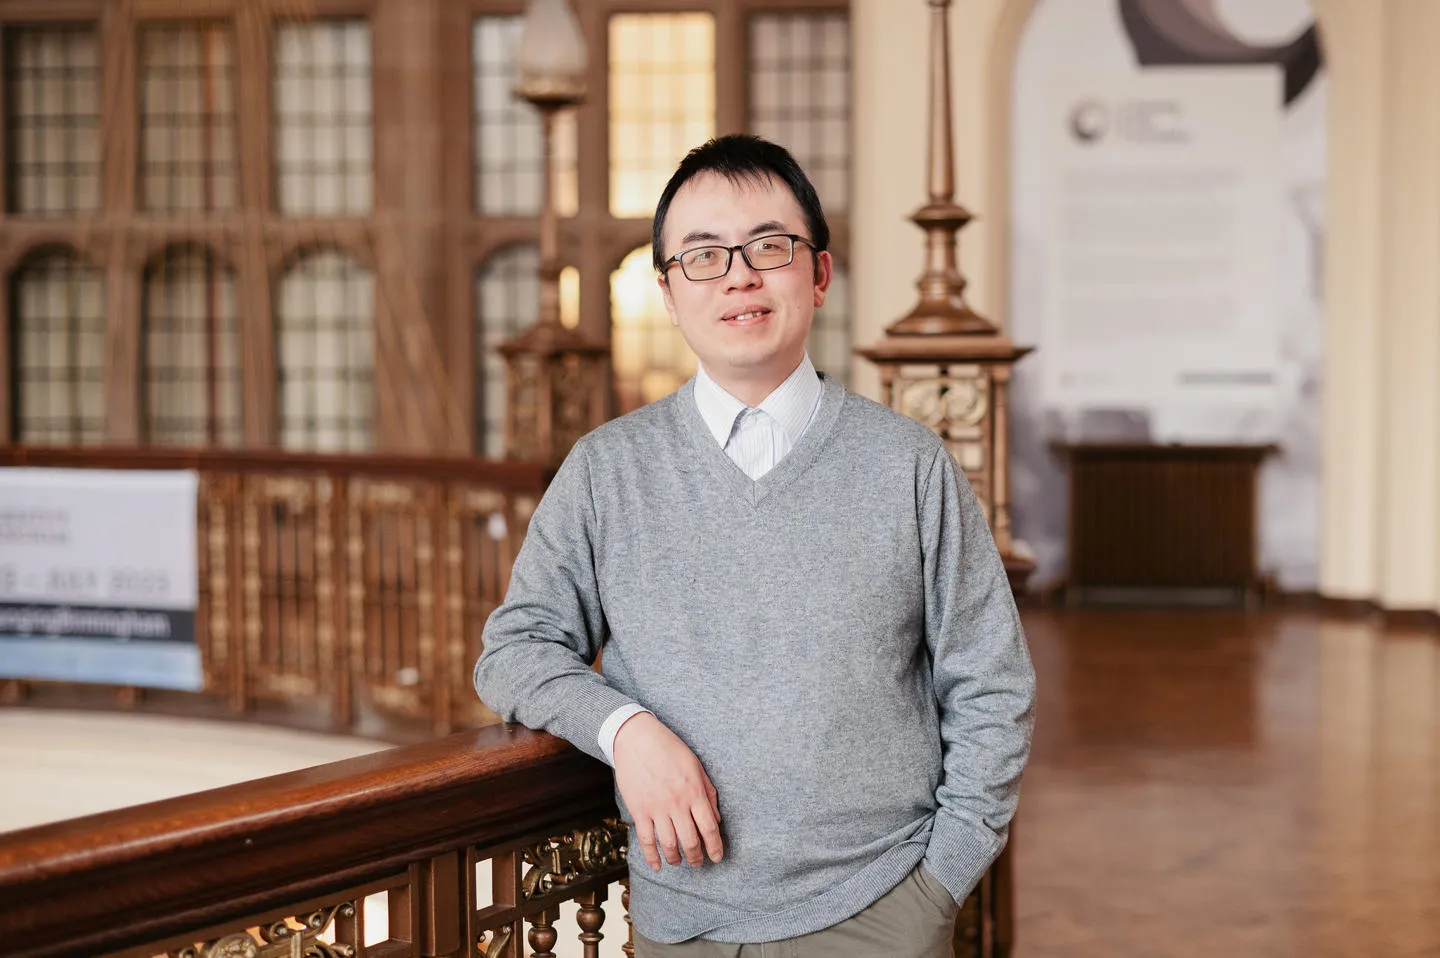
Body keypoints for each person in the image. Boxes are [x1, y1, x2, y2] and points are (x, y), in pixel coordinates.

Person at [473, 133, 1035, 958]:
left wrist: (937, 885)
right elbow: (514, 649)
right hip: (683, 923)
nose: (738, 276)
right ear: (666, 291)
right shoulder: (607, 470)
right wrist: (625, 729)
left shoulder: (908, 464)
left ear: (818, 273)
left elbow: (992, 684)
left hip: (879, 913)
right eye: (702, 256)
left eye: (769, 247)